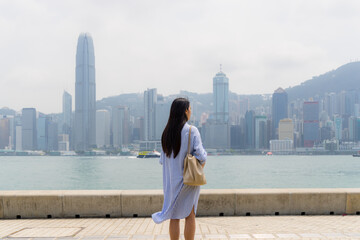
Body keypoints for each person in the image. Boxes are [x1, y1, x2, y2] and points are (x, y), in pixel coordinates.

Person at [152, 98, 207, 240]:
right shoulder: (191, 130)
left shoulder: (166, 134)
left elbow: (163, 161)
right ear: (185, 111)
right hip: (188, 181)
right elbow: (201, 155)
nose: (191, 111)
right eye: (190, 108)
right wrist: (199, 167)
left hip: (171, 182)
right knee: (190, 215)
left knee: (174, 216)